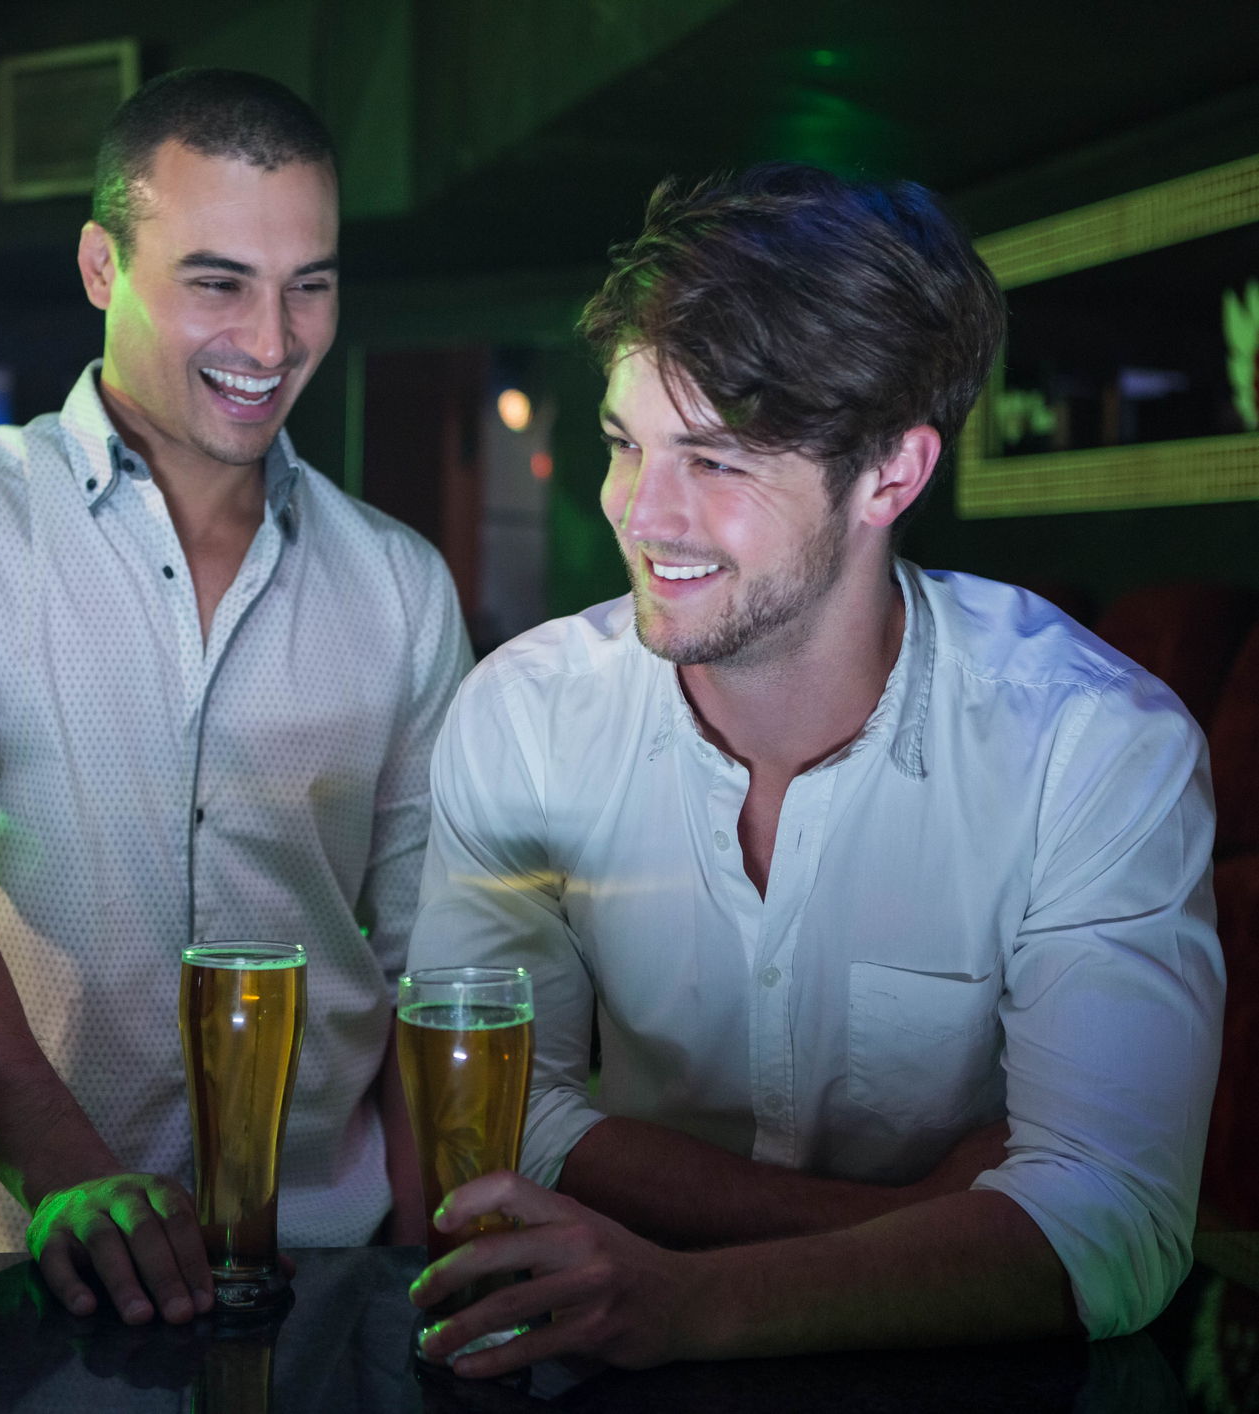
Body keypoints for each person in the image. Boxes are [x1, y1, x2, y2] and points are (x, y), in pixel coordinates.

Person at [405, 165, 1224, 1372]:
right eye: (627, 445)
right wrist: (901, 1222)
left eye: (718, 461)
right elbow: (488, 1115)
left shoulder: (1094, 746)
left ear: (892, 474)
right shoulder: (521, 716)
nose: (641, 512)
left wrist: (691, 1299)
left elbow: (1112, 1221)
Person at [0, 69, 471, 1325]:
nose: (272, 343)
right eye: (218, 280)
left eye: (309, 285)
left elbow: (420, 963)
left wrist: (426, 1281)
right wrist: (75, 1178)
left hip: (322, 1278)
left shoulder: (401, 585)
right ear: (102, 266)